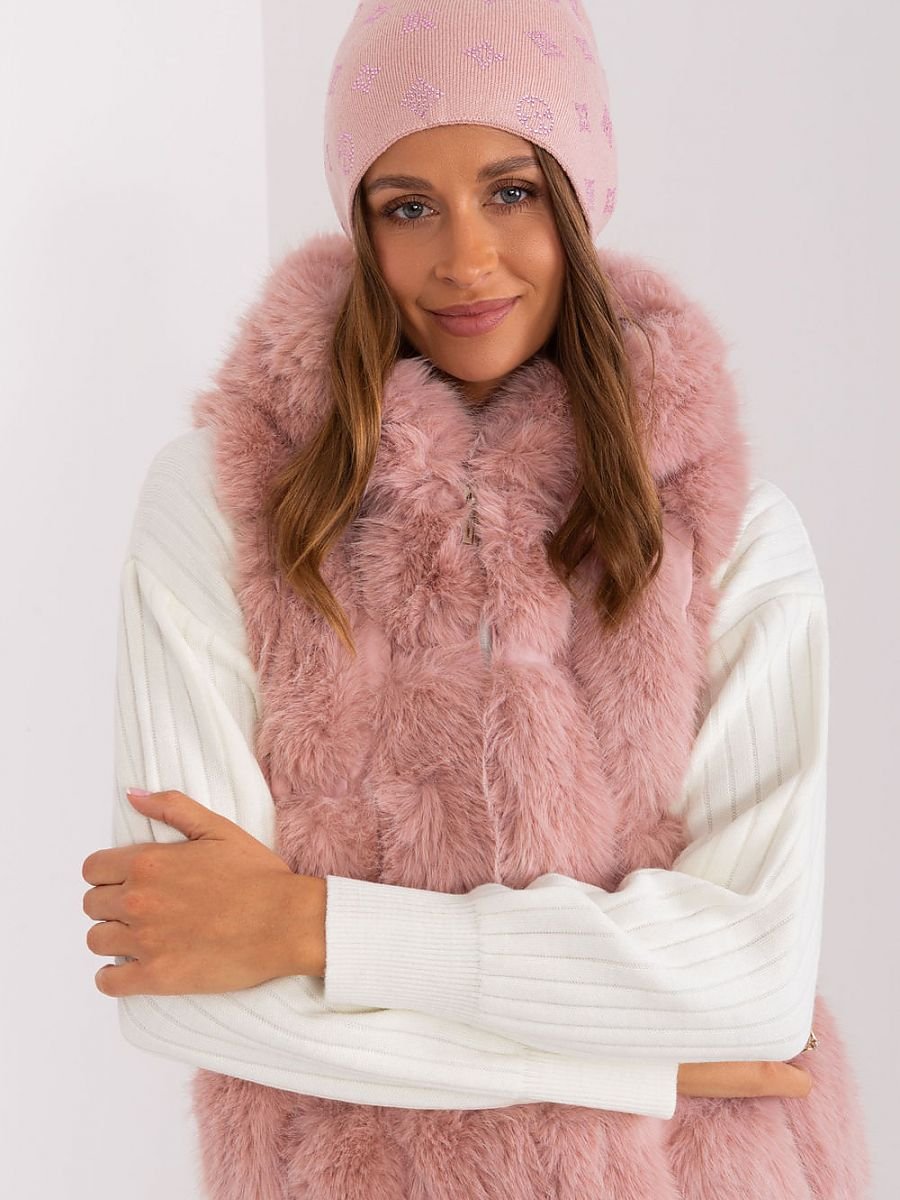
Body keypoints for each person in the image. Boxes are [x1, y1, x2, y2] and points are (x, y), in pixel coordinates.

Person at [82, 1, 872, 1196]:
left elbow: (751, 983)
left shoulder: (731, 528)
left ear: (580, 199)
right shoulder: (222, 498)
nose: (464, 257)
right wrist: (643, 1067)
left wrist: (310, 929)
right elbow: (184, 986)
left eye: (512, 191)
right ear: (359, 224)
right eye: (409, 207)